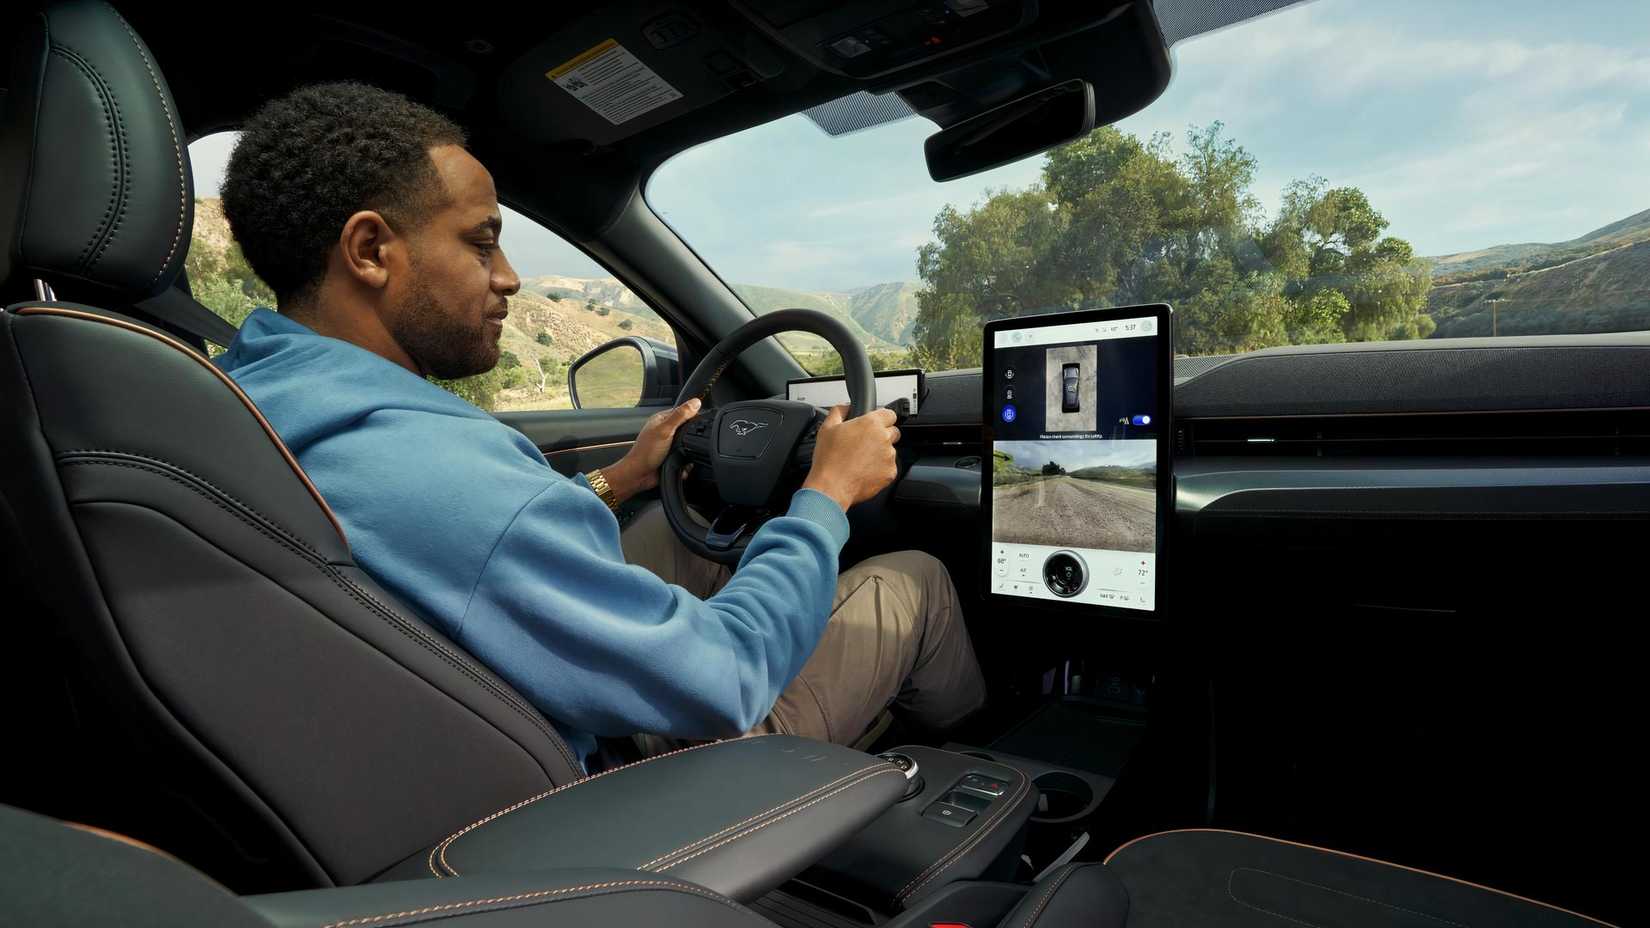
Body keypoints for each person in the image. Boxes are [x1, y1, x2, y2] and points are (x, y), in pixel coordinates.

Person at [211, 81, 985, 767]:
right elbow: (727, 675)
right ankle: (974, 757)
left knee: (707, 553)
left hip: (462, 729)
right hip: (616, 781)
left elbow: (466, 544)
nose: (510, 276)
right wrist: (826, 493)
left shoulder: (241, 396)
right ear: (371, 249)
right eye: (482, 242)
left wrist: (619, 480)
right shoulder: (438, 471)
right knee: (912, 579)